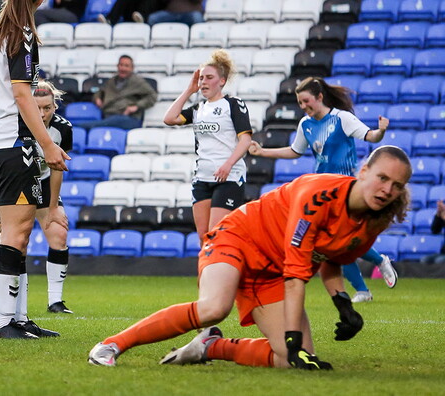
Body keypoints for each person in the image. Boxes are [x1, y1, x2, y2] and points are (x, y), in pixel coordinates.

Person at [88, 146, 413, 370]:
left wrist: (343, 304)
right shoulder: (317, 195)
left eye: (396, 185)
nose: (387, 190)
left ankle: (210, 347)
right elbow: (296, 277)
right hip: (238, 239)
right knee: (215, 307)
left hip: (270, 273)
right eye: (382, 178)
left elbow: (332, 259)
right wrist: (293, 337)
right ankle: (111, 345)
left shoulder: (374, 221)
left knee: (292, 360)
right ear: (364, 171)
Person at [0, 0, 70, 339]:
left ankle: (19, 318)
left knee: (18, 234)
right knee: (15, 235)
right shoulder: (22, 33)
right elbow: (21, 94)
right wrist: (47, 144)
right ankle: (5, 323)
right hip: (13, 143)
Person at [248, 76, 398, 302]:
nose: (303, 106)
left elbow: (371, 136)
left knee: (339, 241)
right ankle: (366, 285)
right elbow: (295, 151)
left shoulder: (342, 118)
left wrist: (381, 131)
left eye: (306, 101)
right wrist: (263, 152)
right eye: (300, 103)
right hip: (321, 190)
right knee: (332, 243)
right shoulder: (305, 124)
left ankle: (373, 271)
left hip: (347, 189)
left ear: (319, 97)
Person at [163, 50, 252, 243]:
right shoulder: (198, 109)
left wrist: (228, 164)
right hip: (202, 177)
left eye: (209, 77)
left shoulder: (233, 104)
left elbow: (245, 140)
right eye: (201, 78)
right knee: (204, 237)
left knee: (216, 235)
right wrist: (189, 90)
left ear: (222, 81)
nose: (203, 82)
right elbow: (169, 118)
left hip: (228, 177)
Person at [33, 81, 74, 315]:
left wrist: (53, 207)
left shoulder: (63, 129)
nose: (42, 113)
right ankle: (14, 305)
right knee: (16, 242)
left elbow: (58, 167)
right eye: (37, 107)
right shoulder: (15, 124)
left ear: (54, 106)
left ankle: (55, 301)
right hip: (16, 185)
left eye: (47, 108)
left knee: (59, 234)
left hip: (45, 183)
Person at [82, 55, 157, 131]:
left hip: (128, 118)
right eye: (121, 65)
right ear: (117, 66)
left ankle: (81, 126)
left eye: (126, 66)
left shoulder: (137, 82)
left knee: (107, 122)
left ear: (132, 68)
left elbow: (152, 95)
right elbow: (100, 91)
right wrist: (97, 98)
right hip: (108, 115)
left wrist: (137, 106)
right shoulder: (111, 81)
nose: (123, 68)